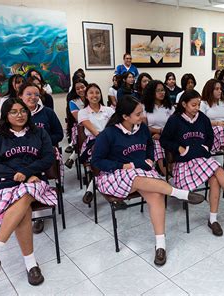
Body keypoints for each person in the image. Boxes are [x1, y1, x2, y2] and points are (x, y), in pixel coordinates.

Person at [91, 95, 205, 266]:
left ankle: (160, 245)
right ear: (125, 117)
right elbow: (97, 162)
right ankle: (179, 193)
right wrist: (125, 166)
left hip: (142, 172)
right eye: (138, 114)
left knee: (157, 196)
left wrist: (150, 159)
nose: (142, 116)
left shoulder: (142, 128)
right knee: (136, 177)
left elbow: (150, 146)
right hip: (115, 175)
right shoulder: (109, 133)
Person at [160, 90, 224, 236]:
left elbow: (210, 137)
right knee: (216, 171)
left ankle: (213, 219)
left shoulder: (203, 119)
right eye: (193, 105)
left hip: (202, 159)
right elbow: (164, 140)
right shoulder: (175, 120)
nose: (196, 107)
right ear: (184, 104)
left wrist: (205, 147)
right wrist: (179, 148)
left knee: (215, 179)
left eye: (198, 104)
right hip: (184, 163)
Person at [0, 98, 56, 285]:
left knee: (25, 194)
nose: (20, 115)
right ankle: (31, 264)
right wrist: (18, 175)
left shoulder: (39, 133)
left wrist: (27, 172)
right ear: (5, 116)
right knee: (23, 209)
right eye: (14, 112)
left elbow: (48, 157)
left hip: (34, 182)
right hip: (5, 184)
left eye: (23, 111)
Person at [18, 82, 63, 234]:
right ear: (20, 96)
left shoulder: (48, 113)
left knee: (37, 174)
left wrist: (43, 141)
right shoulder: (15, 114)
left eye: (36, 94)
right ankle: (20, 210)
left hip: (44, 153)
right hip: (22, 154)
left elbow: (59, 134)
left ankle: (38, 217)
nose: (33, 97)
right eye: (28, 94)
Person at [78, 83, 115, 204]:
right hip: (92, 142)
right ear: (87, 96)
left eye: (97, 92)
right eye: (91, 93)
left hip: (110, 140)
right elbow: (94, 131)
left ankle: (91, 188)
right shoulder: (83, 112)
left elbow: (113, 128)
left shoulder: (109, 110)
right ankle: (111, 192)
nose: (95, 95)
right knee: (101, 156)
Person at [143, 80, 175, 176]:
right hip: (152, 136)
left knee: (172, 142)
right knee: (158, 144)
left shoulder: (170, 107)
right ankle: (167, 176)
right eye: (158, 91)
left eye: (163, 90)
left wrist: (162, 133)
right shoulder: (144, 107)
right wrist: (158, 131)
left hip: (168, 135)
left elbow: (175, 125)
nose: (162, 93)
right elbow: (144, 127)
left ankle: (173, 173)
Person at [200, 79, 224, 153]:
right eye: (217, 89)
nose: (220, 91)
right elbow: (201, 121)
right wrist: (217, 123)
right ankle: (222, 152)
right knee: (220, 129)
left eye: (220, 89)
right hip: (211, 128)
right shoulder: (203, 104)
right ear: (210, 90)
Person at [65, 79, 88, 168]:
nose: (81, 90)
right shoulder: (73, 102)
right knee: (83, 139)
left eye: (83, 87)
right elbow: (79, 119)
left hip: (95, 124)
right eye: (77, 88)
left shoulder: (91, 97)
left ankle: (72, 157)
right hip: (80, 126)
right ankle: (89, 169)